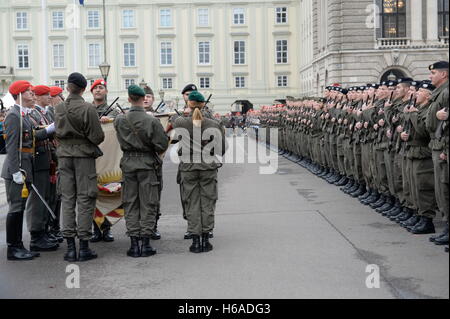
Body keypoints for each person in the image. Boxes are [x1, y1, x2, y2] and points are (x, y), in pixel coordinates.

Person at [54, 72, 105, 262]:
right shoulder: (88, 108)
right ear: (84, 89)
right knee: (85, 198)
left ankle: (69, 248)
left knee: (67, 199)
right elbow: (97, 137)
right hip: (83, 157)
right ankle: (83, 246)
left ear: (68, 87)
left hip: (64, 156)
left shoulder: (58, 107)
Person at [1, 80, 54, 260]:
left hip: (26, 167)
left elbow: (31, 139)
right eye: (29, 92)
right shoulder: (14, 115)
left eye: (32, 91)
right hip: (17, 169)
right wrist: (16, 171)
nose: (32, 94)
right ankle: (13, 248)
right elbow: (12, 146)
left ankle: (19, 245)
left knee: (20, 207)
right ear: (19, 95)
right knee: (16, 208)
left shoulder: (23, 115)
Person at [114, 85, 169, 257]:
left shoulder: (119, 120)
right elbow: (162, 144)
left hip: (128, 163)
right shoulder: (152, 121)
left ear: (129, 99)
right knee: (148, 202)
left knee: (130, 203)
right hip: (147, 163)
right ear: (142, 99)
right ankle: (145, 243)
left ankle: (133, 244)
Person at [172, 91, 227, 253]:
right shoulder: (213, 124)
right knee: (208, 201)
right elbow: (221, 149)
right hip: (207, 167)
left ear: (188, 104)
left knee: (191, 201)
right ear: (204, 105)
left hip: (188, 167)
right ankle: (205, 237)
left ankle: (195, 240)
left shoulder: (180, 122)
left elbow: (173, 129)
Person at [25, 85, 60, 251]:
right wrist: (50, 129)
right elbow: (33, 136)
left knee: (47, 197)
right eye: (45, 94)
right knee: (38, 201)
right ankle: (36, 235)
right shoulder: (32, 113)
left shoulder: (44, 113)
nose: (49, 97)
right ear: (37, 97)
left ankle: (44, 231)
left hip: (47, 160)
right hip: (38, 161)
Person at [89, 78, 116, 243]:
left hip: (108, 157)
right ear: (91, 92)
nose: (98, 90)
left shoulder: (113, 111)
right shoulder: (88, 109)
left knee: (107, 192)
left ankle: (106, 229)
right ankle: (95, 229)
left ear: (105, 91)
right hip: (91, 157)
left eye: (101, 88)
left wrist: (110, 121)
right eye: (95, 88)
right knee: (93, 194)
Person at [426, 61, 449, 247]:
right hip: (438, 144)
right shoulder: (439, 93)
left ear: (444, 74)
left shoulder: (446, 92)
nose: (430, 76)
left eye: (433, 73)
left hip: (443, 147)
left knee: (445, 188)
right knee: (441, 189)